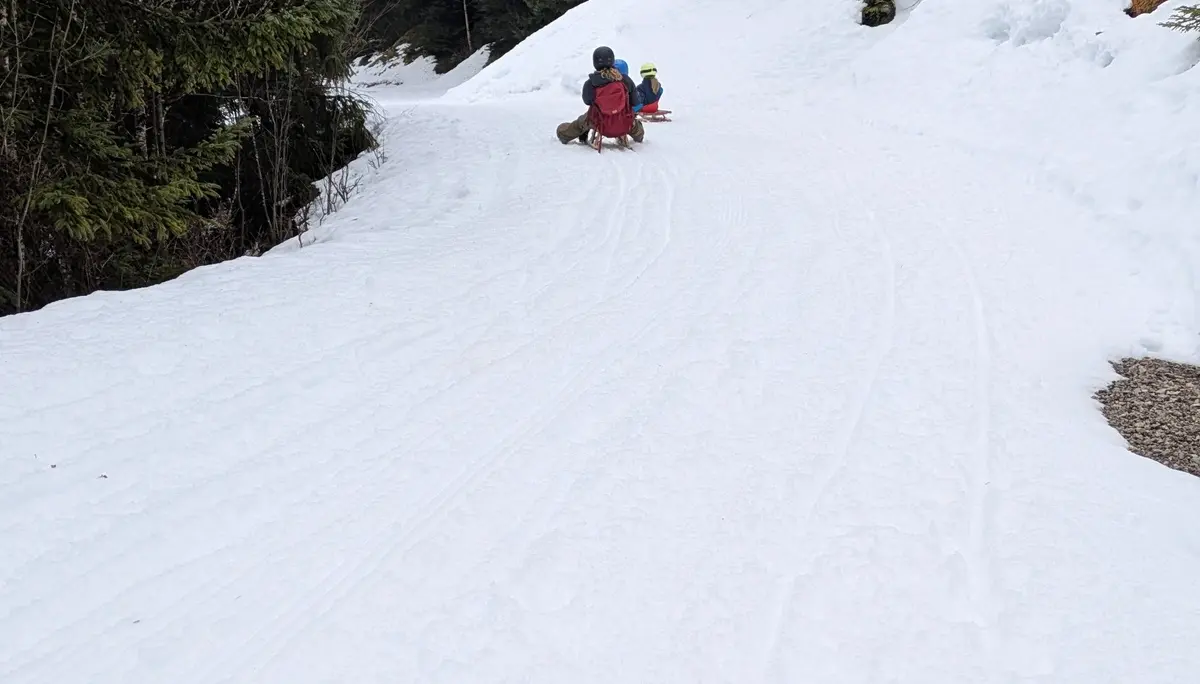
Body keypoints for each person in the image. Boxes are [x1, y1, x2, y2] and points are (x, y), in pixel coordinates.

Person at [556, 46, 645, 146]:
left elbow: (587, 101)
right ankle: (639, 135)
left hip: (600, 124)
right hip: (624, 123)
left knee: (583, 120)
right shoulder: (625, 79)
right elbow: (636, 102)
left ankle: (563, 134)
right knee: (635, 125)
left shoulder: (591, 83)